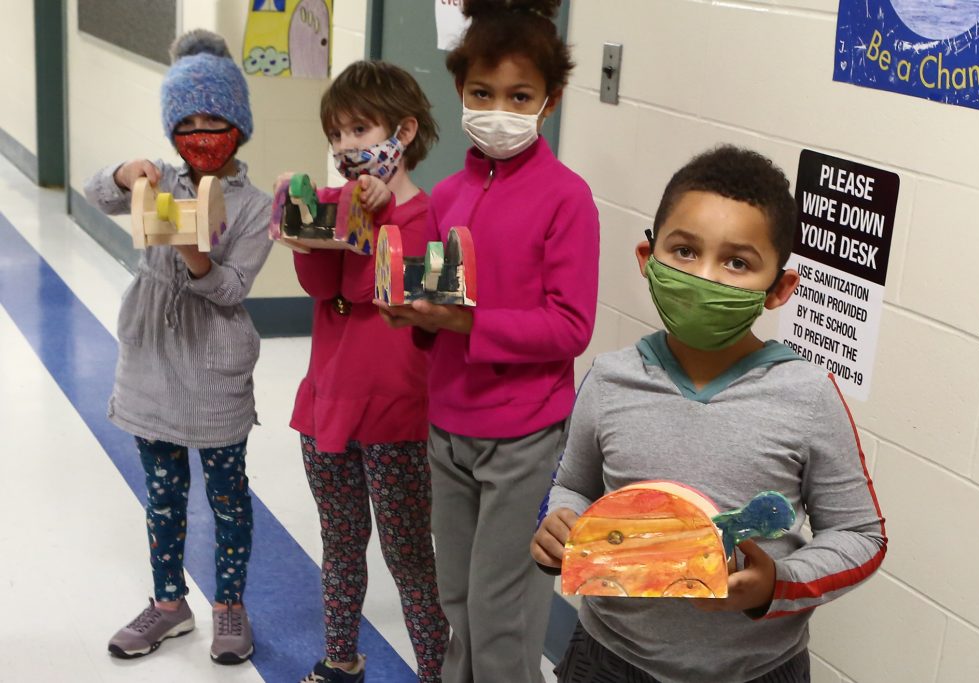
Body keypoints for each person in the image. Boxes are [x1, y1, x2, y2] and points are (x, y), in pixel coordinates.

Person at [530, 145, 888, 683]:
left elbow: (861, 535)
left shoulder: (808, 395)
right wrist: (557, 526)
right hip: (607, 660)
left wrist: (777, 582)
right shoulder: (609, 379)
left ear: (779, 288)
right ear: (647, 259)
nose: (706, 278)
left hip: (757, 669)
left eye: (738, 262)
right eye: (685, 251)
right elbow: (572, 487)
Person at [377, 1, 599, 681]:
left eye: (520, 96)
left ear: (550, 101)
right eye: (482, 93)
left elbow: (570, 325)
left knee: (503, 611)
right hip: (447, 424)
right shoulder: (446, 195)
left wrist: (470, 325)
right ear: (459, 91)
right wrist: (414, 317)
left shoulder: (568, 198)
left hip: (524, 438)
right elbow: (443, 302)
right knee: (458, 596)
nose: (498, 109)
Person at [84, 29, 272, 665]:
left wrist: (194, 256)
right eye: (186, 122)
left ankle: (229, 605)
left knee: (227, 497)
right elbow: (98, 195)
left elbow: (233, 288)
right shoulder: (158, 179)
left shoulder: (255, 207)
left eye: (214, 119)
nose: (201, 133)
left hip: (215, 371)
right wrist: (123, 172)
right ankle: (169, 604)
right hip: (151, 367)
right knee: (162, 494)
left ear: (238, 126)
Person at [286, 60, 448, 683]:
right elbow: (323, 287)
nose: (346, 146)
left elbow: (428, 311)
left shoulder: (429, 216)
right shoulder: (332, 204)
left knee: (409, 557)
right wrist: (322, 229)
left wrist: (379, 217)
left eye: (360, 130)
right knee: (340, 543)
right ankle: (341, 659)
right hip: (327, 402)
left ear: (402, 133)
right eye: (336, 135)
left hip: (397, 413)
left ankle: (435, 669)